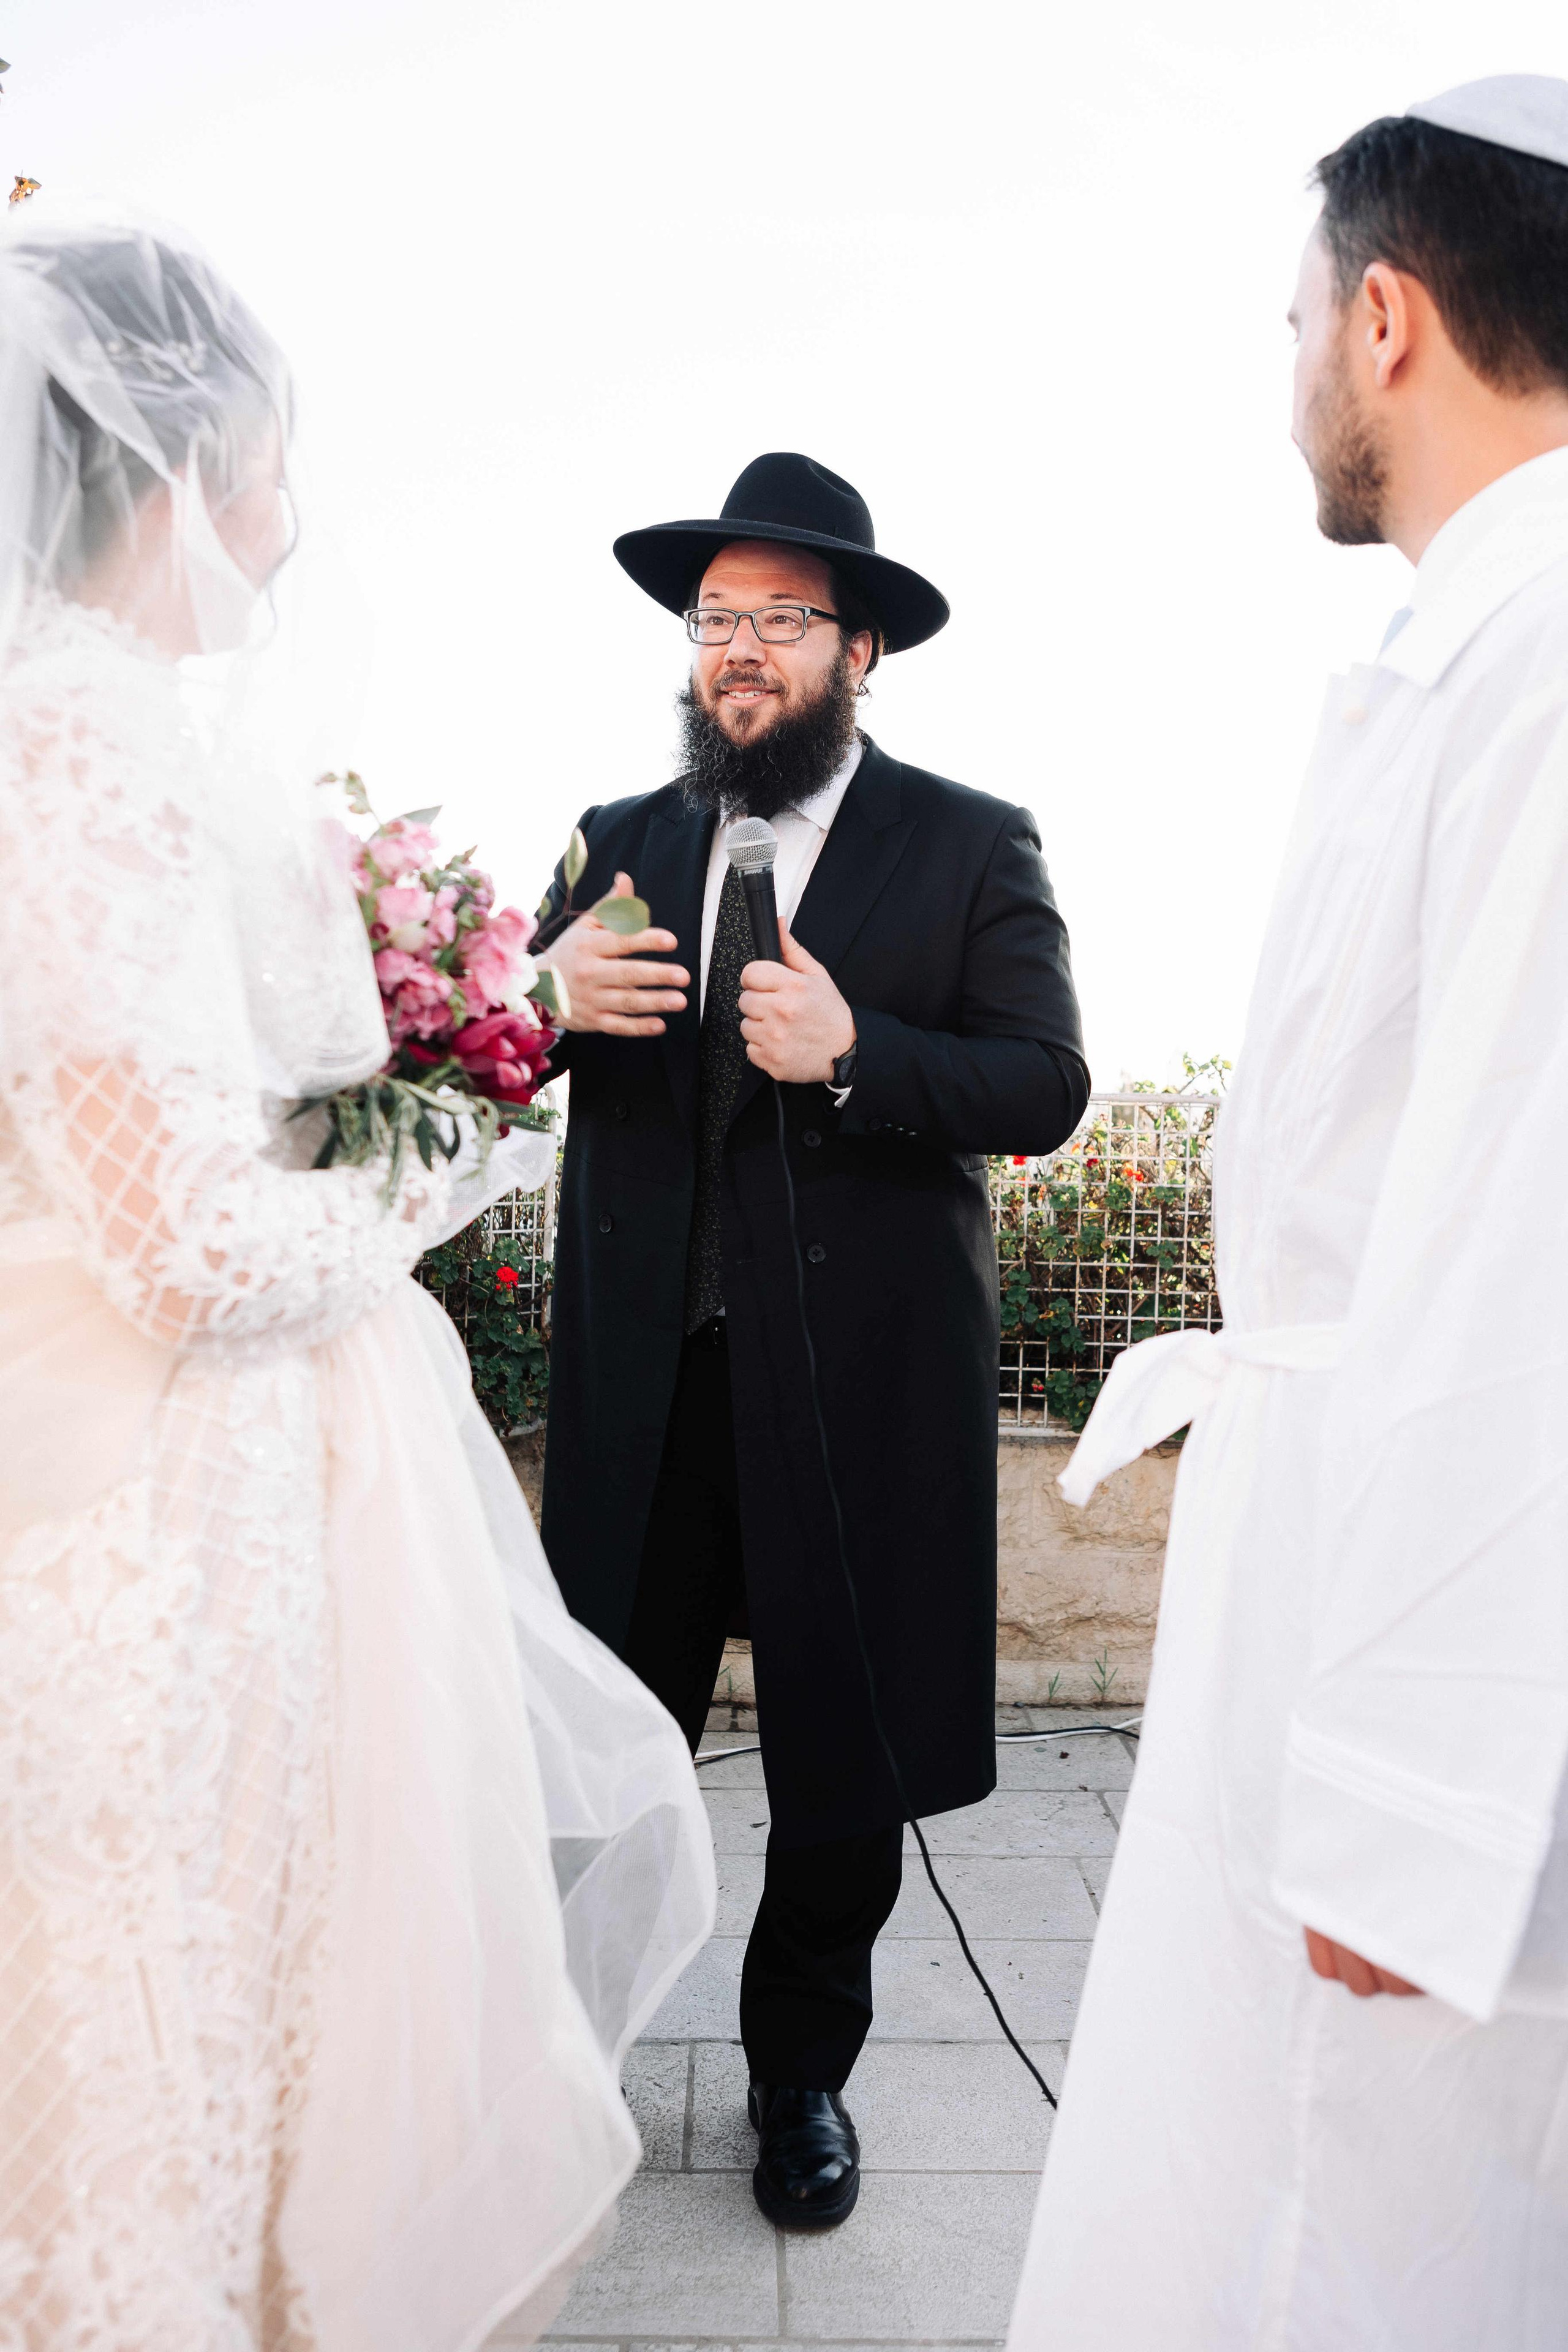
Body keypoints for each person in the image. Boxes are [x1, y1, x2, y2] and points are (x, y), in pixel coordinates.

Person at [0, 209, 714, 2352]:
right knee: (148, 2015)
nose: (293, 511)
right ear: (187, 464)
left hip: (242, 1496)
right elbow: (186, 1240)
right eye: (279, 457)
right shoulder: (81, 752)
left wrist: (417, 1068)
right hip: (150, 1501)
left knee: (237, 1997)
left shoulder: (126, 739)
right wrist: (460, 1150)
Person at [1008, 75, 1568, 2351]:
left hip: (1423, 1633)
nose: (1295, 371)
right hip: (1331, 1555)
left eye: (1296, 322)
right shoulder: (1473, 634)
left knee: (1380, 2222)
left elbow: (1523, 1234)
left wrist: (1414, 1792)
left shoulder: (1543, 648)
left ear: (1388, 321)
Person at [537, 451, 1088, 2229]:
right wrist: (543, 1003)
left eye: (784, 617)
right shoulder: (616, 841)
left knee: (843, 1765)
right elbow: (480, 1056)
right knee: (599, 1745)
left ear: (862, 652)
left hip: (860, 1398)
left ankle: (799, 2080)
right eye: (719, 617)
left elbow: (1046, 1083)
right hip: (649, 1391)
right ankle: (558, 2061)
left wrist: (860, 1051)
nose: (741, 648)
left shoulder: (973, 839)